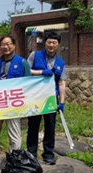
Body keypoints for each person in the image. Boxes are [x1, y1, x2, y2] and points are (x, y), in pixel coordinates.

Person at [0, 36, 32, 167]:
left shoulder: (22, 62)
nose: (6, 47)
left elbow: (28, 84)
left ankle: (14, 157)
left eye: (8, 44)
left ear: (14, 45)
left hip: (13, 104)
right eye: (3, 44)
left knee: (14, 132)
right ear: (0, 47)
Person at [27, 32, 67, 165]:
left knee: (50, 126)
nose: (51, 45)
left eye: (54, 43)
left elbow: (61, 83)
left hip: (51, 98)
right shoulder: (35, 55)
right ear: (45, 43)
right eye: (49, 42)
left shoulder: (60, 63)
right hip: (35, 97)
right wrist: (41, 72)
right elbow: (26, 71)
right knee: (33, 125)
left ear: (58, 45)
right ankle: (31, 154)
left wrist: (61, 102)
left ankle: (48, 154)